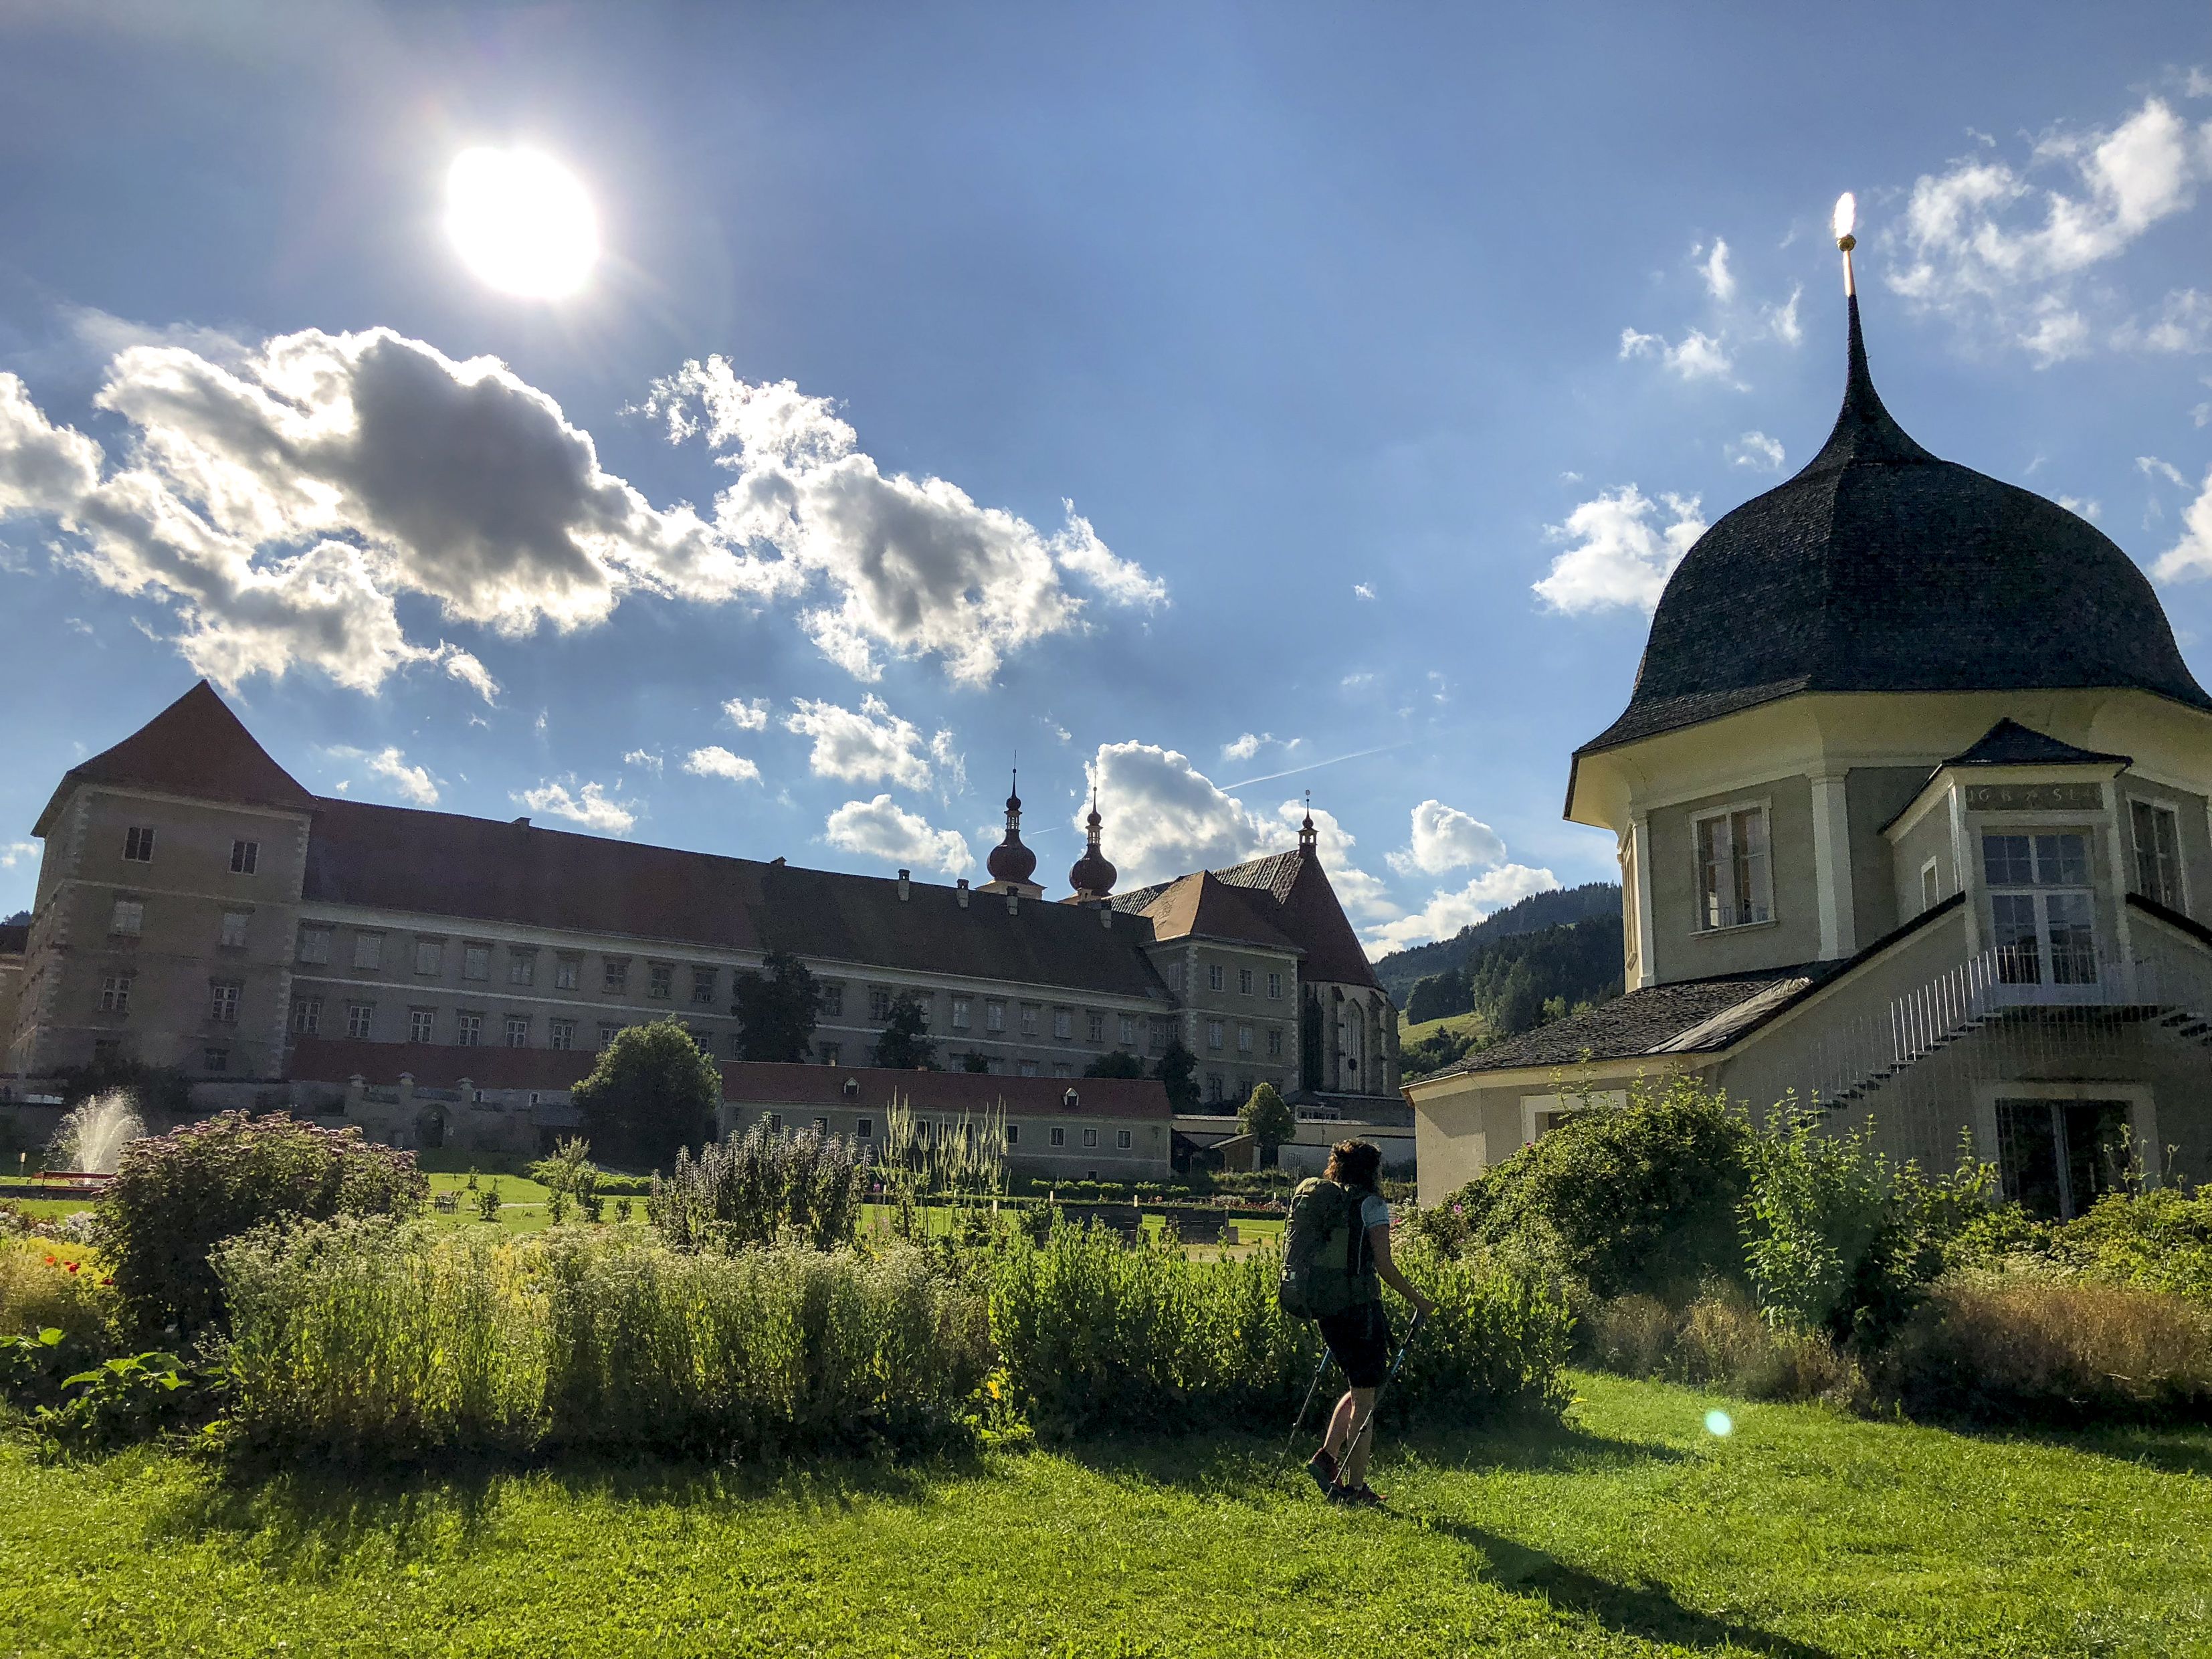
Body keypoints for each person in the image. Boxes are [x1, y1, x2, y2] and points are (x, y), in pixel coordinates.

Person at [1304, 1139, 1431, 1507]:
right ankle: (1356, 1489)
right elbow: (1385, 1266)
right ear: (1371, 1170)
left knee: (1360, 1387)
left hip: (1328, 1308)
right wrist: (1420, 1301)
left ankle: (1327, 1460)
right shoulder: (1372, 1206)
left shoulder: (1331, 1201)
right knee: (1366, 1400)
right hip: (1360, 1309)